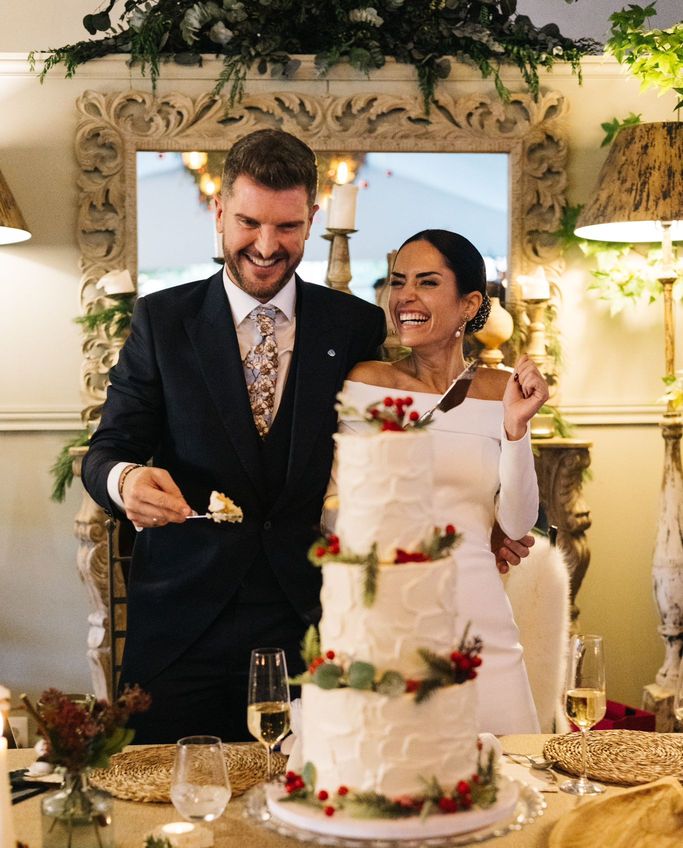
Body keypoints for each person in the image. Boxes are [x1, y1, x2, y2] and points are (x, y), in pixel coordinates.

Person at [82, 128, 386, 742]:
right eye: (249, 223)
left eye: (288, 227)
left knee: (305, 819)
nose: (267, 247)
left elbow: (394, 449)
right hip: (182, 626)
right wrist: (126, 480)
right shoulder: (163, 321)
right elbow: (106, 450)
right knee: (166, 806)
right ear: (219, 213)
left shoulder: (355, 325)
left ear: (312, 219)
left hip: (310, 622)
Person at [337, 229, 549, 733]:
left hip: (480, 615)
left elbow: (517, 521)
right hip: (390, 618)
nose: (405, 296)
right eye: (398, 281)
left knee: (512, 775)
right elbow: (341, 509)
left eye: (427, 282)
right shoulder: (366, 385)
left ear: (469, 303)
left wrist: (516, 432)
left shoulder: (502, 390)